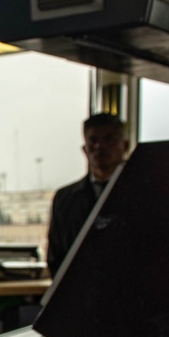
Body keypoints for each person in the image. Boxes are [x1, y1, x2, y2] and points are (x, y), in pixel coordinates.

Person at [46, 112, 129, 277]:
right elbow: (56, 254)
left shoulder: (142, 194)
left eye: (109, 139)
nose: (99, 147)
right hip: (79, 292)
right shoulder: (65, 199)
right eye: (93, 141)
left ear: (125, 146)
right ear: (84, 149)